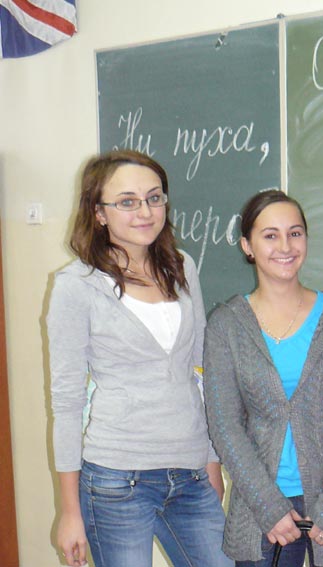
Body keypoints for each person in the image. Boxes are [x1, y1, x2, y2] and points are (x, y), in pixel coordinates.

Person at [47, 150, 231, 567]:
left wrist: (211, 460)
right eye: (127, 201)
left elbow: (201, 373)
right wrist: (69, 511)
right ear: (99, 213)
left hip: (189, 473)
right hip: (116, 478)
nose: (145, 212)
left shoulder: (181, 267)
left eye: (154, 197)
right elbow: (67, 402)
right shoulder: (77, 285)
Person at [202, 190, 323, 567]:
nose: (285, 246)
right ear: (247, 246)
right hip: (262, 515)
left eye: (295, 233)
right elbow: (225, 425)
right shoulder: (226, 326)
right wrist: (269, 507)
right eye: (270, 235)